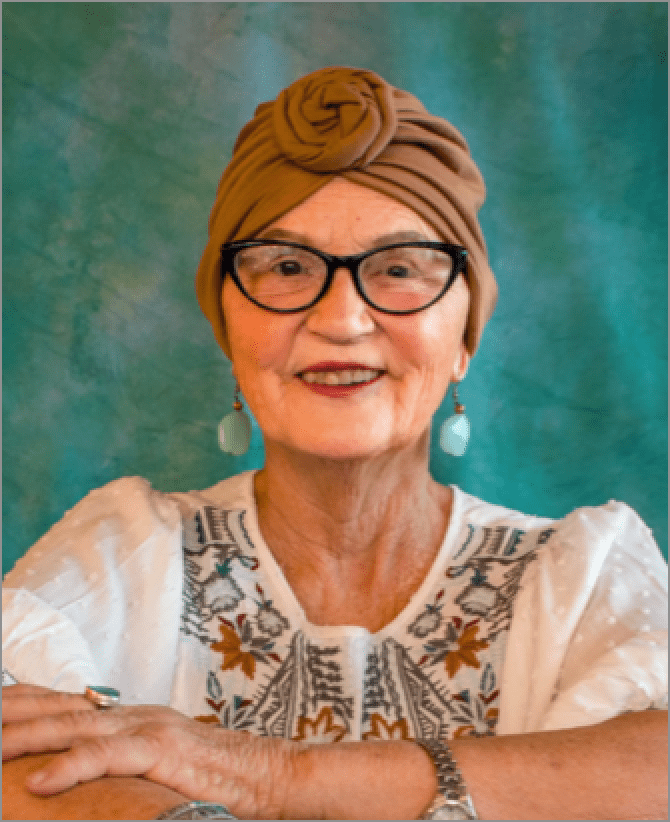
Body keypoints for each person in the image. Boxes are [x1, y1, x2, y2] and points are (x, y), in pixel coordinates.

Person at [2, 66, 667, 821]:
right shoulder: (126, 556)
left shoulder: (579, 576)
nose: (342, 318)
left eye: (398, 269)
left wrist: (272, 775)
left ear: (463, 340)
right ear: (230, 333)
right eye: (286, 267)